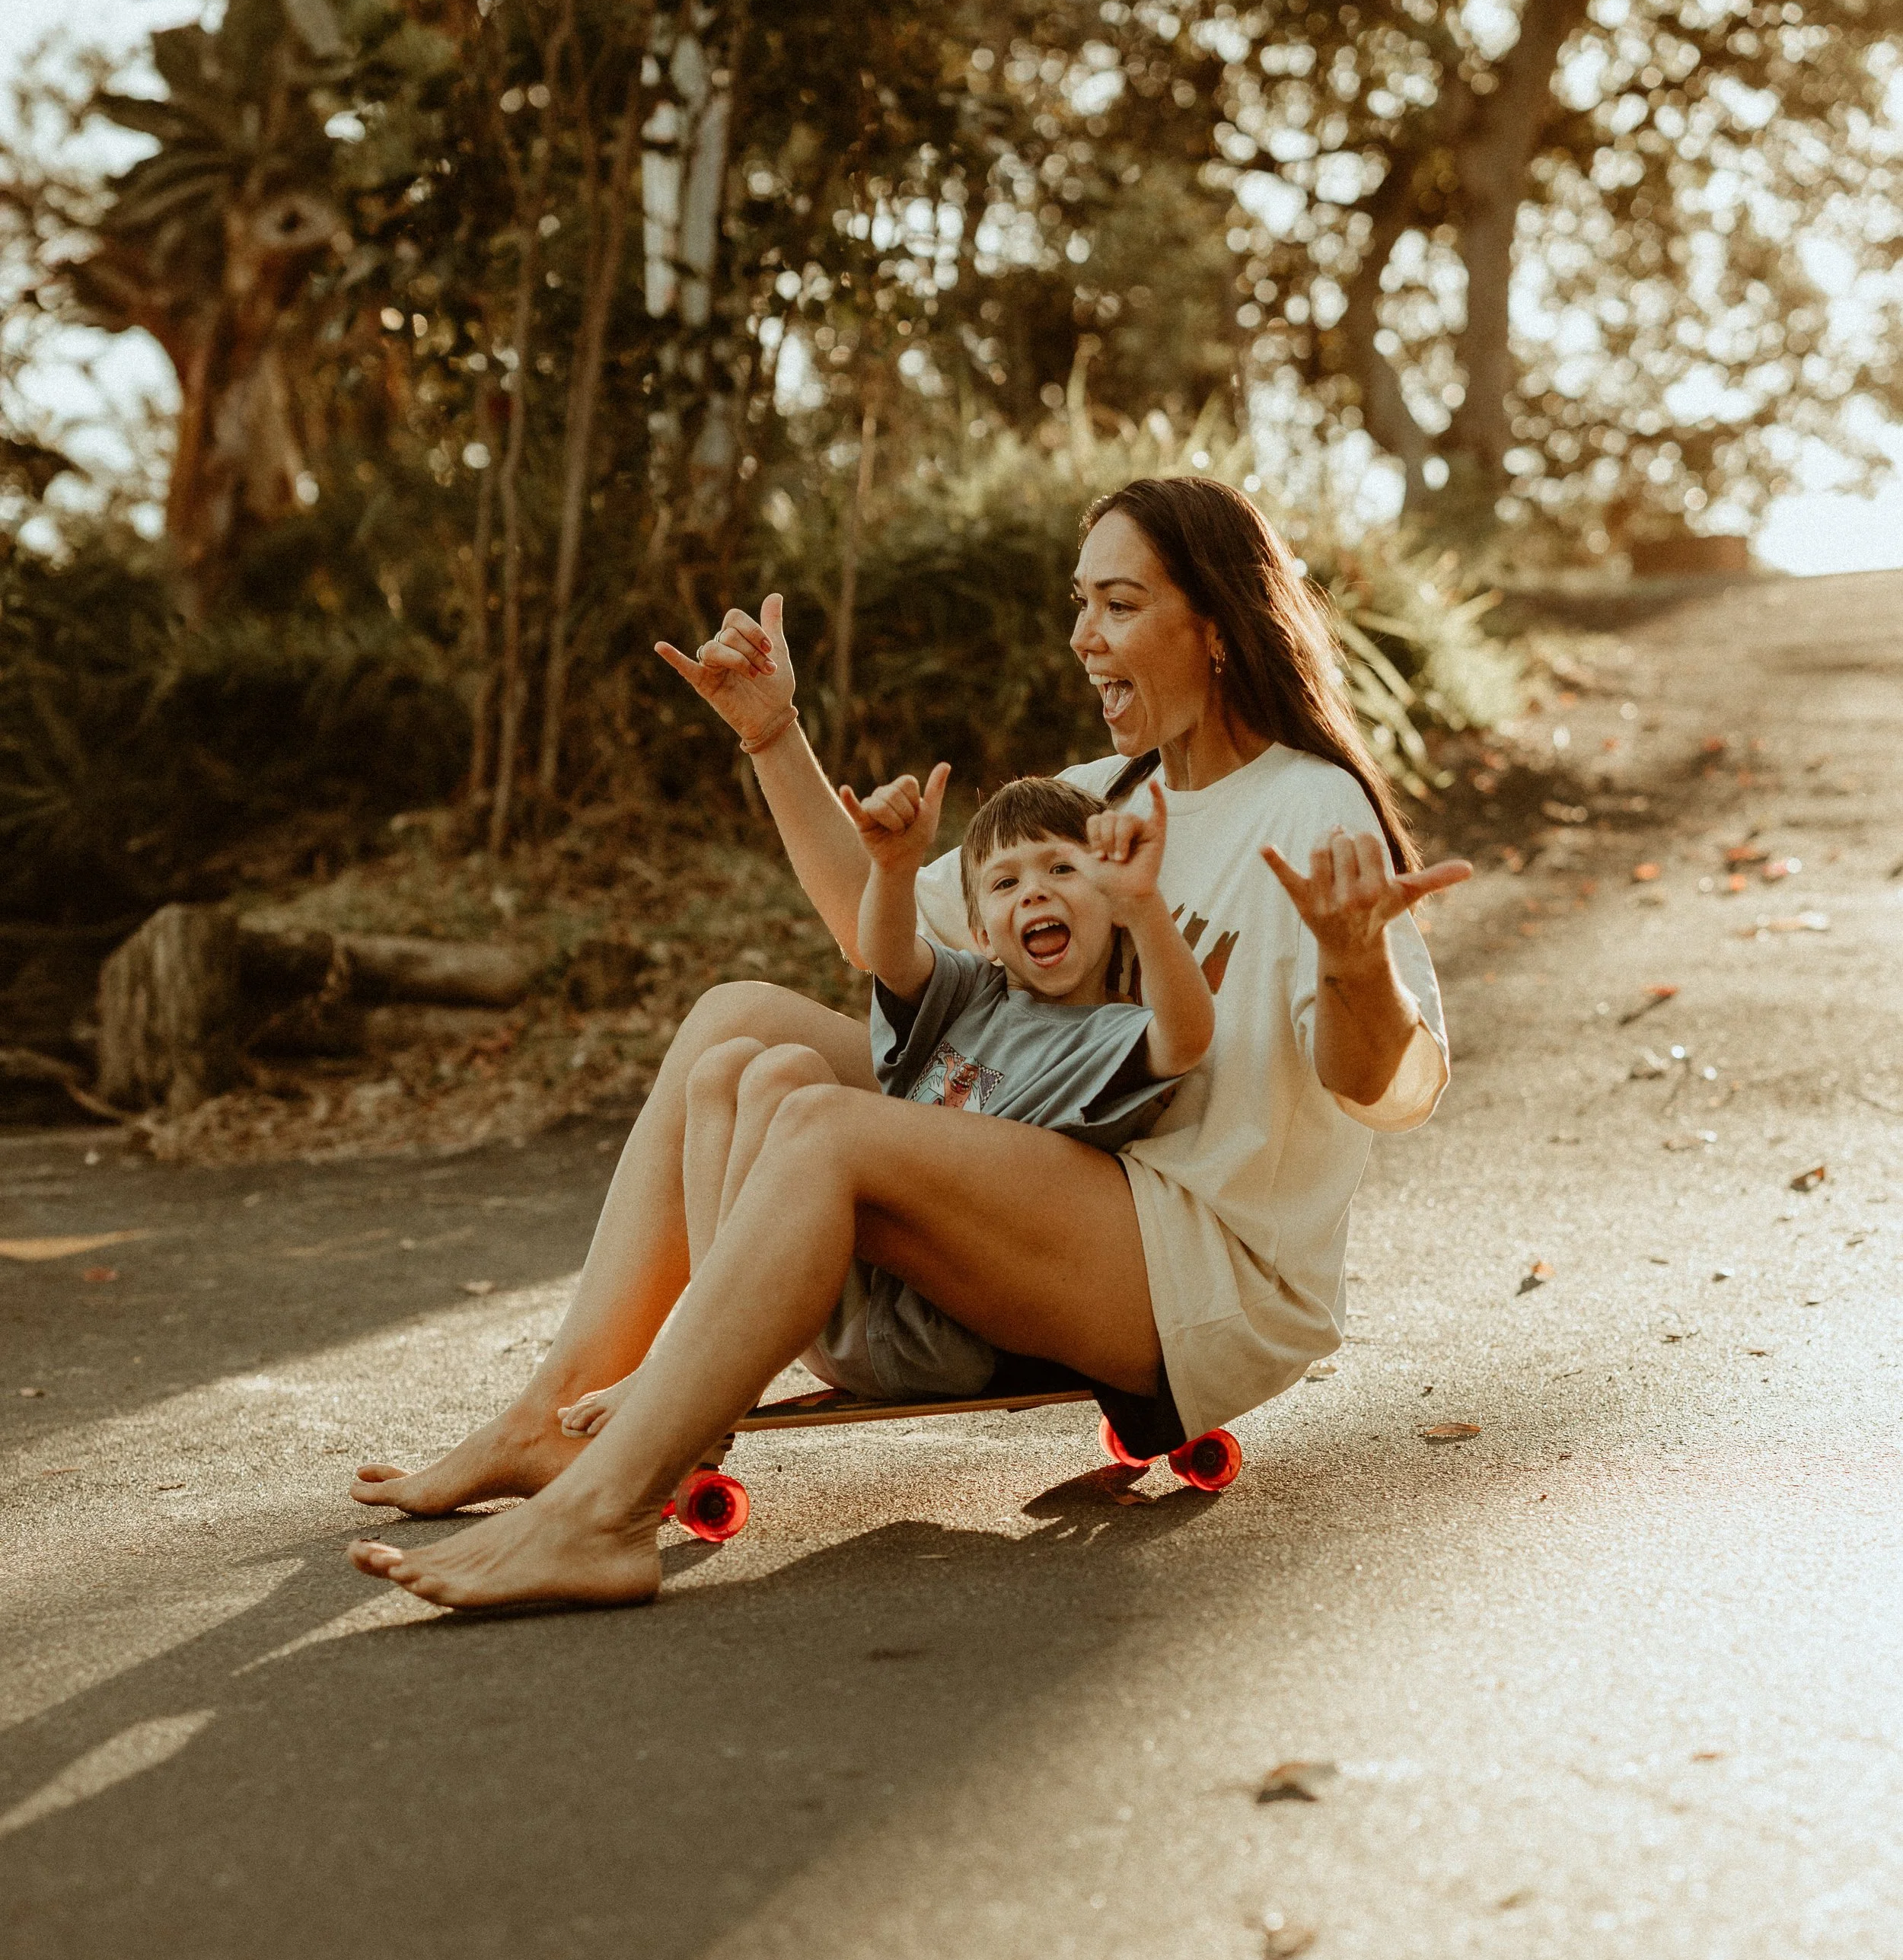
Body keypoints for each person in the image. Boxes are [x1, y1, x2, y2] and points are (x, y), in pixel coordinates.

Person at [349, 473, 1472, 1612]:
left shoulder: (1312, 808)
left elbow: (1386, 1091)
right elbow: (869, 923)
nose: (1084, 635)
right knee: (737, 1020)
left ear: (1220, 626)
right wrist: (774, 735)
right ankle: (559, 1420)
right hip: (1071, 1173)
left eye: (1120, 604)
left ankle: (602, 1517)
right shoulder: (1101, 795)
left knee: (829, 1129)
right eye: (1080, 603)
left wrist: (1350, 961)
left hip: (1202, 1265)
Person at [557, 762, 1214, 1436]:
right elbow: (889, 953)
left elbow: (1187, 1037)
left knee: (788, 1076)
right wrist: (894, 869)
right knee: (741, 1068)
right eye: (1006, 882)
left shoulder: (1109, 1037)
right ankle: (702, 1351)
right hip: (834, 1289)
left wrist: (1145, 905)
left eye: (1063, 871)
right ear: (982, 933)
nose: (1034, 893)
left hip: (936, 1334)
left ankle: (690, 1371)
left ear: (1110, 899)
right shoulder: (972, 992)